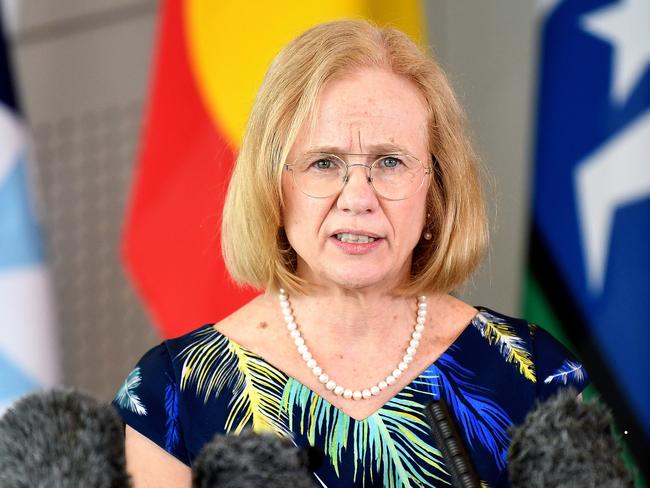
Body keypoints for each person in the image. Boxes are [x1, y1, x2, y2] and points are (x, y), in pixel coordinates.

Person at [113, 20, 588, 487]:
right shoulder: (172, 396)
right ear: (272, 187)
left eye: (390, 161)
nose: (358, 197)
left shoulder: (532, 375)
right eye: (324, 163)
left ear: (435, 189)